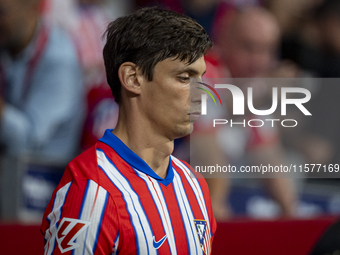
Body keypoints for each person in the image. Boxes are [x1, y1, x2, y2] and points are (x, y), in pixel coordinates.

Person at [41, 7, 216, 254]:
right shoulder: (92, 191)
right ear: (133, 78)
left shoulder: (194, 186)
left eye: (201, 79)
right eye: (184, 77)